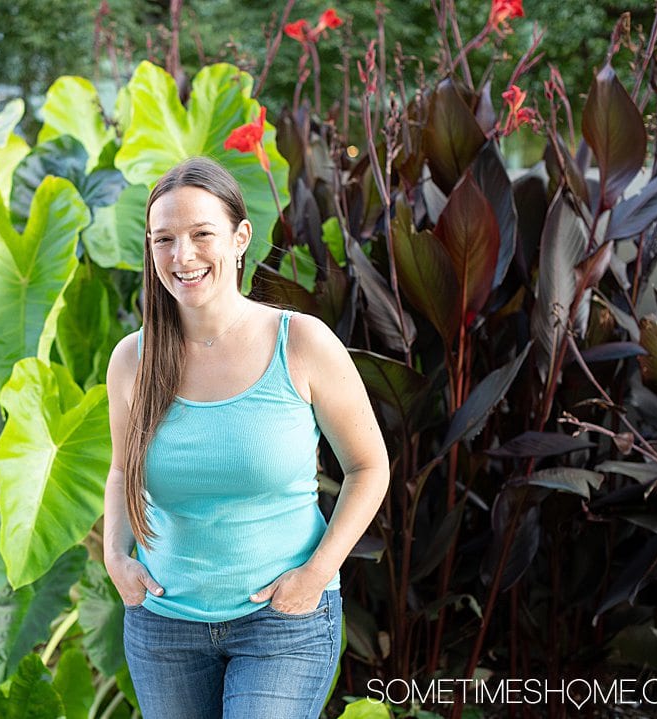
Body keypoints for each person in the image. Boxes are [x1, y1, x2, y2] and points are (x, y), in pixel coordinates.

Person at [103, 155, 390, 719]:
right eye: (163, 239)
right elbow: (121, 471)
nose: (181, 256)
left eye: (200, 234)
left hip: (282, 626)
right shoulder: (133, 359)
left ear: (240, 239)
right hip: (165, 630)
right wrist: (116, 557)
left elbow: (368, 467)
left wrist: (317, 573)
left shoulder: (300, 342)